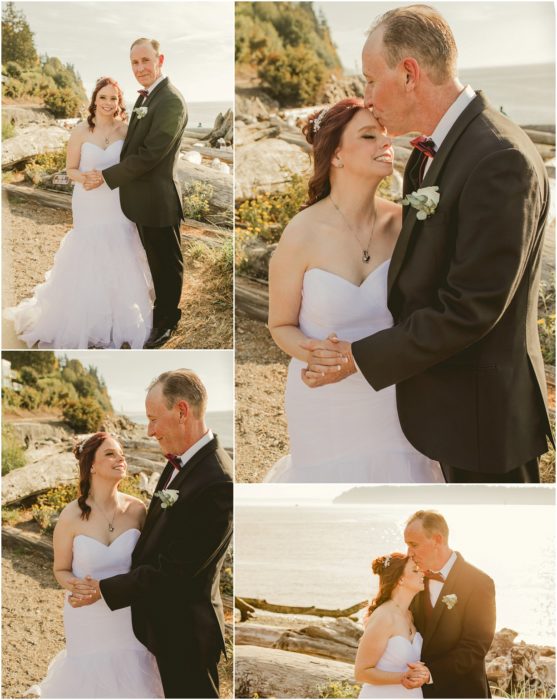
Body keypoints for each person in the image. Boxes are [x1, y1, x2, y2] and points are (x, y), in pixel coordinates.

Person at [301, 5, 553, 483]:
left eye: (372, 80)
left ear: (410, 73)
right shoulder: (427, 153)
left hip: (483, 419)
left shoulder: (499, 159)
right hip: (442, 405)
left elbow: (471, 308)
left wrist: (358, 357)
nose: (368, 98)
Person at [266, 98, 444, 483]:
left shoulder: (404, 225)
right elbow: (280, 325)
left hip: (394, 394)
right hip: (324, 398)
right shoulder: (301, 232)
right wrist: (318, 355)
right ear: (336, 155)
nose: (385, 144)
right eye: (368, 136)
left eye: (386, 136)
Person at [69, 369, 233, 698]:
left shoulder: (217, 482)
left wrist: (104, 589)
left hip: (186, 632)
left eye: (153, 419)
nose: (150, 431)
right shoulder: (181, 463)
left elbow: (176, 572)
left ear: (182, 411)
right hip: (161, 626)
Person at [5, 78, 153, 349]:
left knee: (121, 249)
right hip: (89, 201)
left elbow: (134, 164)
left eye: (114, 98)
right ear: (94, 100)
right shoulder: (81, 131)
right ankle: (86, 317)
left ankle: (116, 317)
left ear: (119, 102)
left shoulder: (126, 130)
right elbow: (70, 169)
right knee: (89, 252)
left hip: (117, 201)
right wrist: (84, 177)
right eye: (103, 97)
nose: (108, 103)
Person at [31, 433, 163, 698]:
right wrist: (77, 586)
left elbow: (147, 564)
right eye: (110, 453)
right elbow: (60, 569)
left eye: (122, 452)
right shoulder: (70, 516)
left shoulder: (137, 510)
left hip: (129, 615)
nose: (121, 458)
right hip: (87, 618)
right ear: (91, 465)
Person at [87, 38, 188, 349]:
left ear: (160, 60)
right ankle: (158, 312)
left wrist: (106, 176)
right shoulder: (145, 99)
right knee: (153, 259)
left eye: (146, 61)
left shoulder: (170, 100)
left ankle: (167, 321)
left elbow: (150, 154)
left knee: (166, 263)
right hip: (141, 200)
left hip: (158, 200)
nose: (140, 68)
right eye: (135, 63)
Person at [404, 511, 496, 698]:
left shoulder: (479, 582)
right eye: (407, 545)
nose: (409, 553)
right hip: (417, 692)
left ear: (437, 540)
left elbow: (476, 645)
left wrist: (431, 673)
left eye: (414, 545)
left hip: (463, 691)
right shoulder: (414, 578)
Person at [356, 553, 430, 697]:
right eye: (415, 570)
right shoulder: (384, 617)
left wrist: (422, 673)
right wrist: (402, 677)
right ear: (400, 579)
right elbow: (361, 672)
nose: (422, 572)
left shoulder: (410, 615)